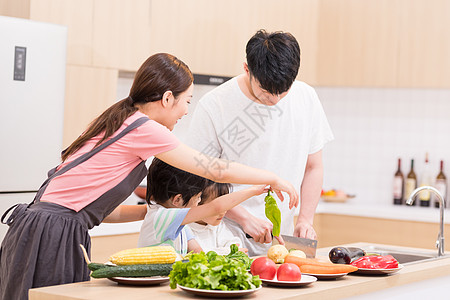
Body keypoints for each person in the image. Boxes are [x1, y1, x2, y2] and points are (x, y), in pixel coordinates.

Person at [0, 53, 298, 300]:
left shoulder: (118, 120)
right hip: (54, 234)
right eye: (187, 101)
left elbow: (104, 213)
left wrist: (157, 212)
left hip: (35, 227)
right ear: (168, 98)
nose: (184, 112)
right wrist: (271, 177)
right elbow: (210, 168)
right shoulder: (144, 127)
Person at [187, 30, 334, 256]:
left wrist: (305, 219)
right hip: (226, 234)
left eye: (283, 92)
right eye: (266, 92)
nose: (274, 100)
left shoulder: (307, 97)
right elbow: (199, 178)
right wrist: (244, 218)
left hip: (281, 240)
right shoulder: (215, 105)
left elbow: (313, 166)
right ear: (247, 69)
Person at [138, 158, 265, 254]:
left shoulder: (179, 224)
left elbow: (199, 253)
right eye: (198, 197)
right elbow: (216, 207)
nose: (199, 202)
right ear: (177, 200)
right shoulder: (162, 217)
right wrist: (254, 190)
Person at [188, 182, 247, 255]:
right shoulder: (186, 229)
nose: (223, 211)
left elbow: (235, 245)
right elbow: (200, 254)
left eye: (225, 204)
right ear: (196, 203)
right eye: (217, 207)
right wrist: (226, 252)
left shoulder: (218, 226)